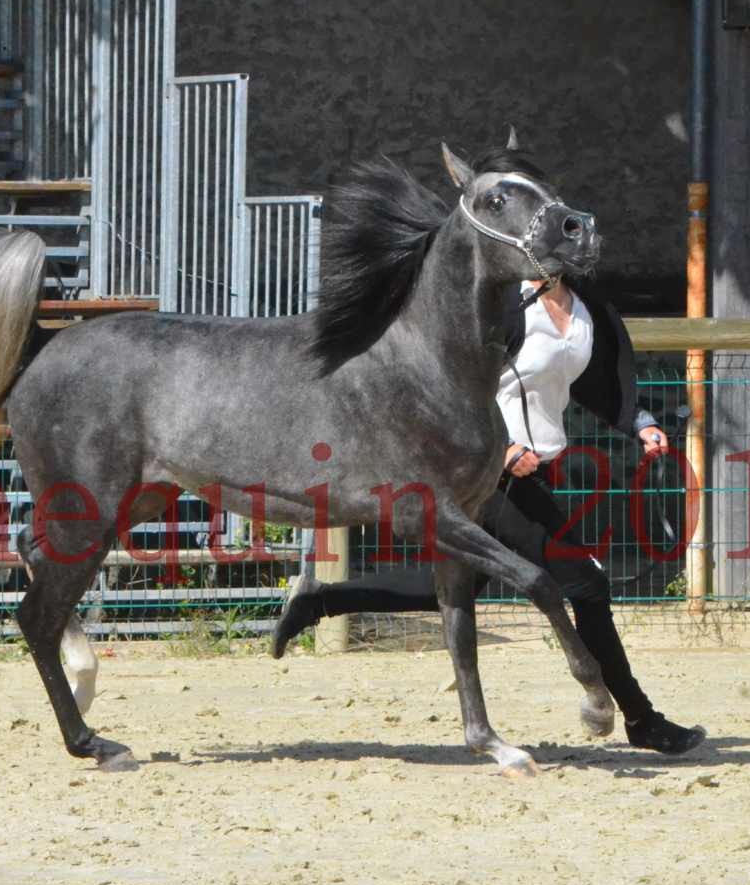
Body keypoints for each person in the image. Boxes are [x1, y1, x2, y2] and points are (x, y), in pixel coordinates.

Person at [271, 152, 705, 755]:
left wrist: (642, 423)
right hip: (486, 465)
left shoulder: (580, 307)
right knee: (582, 583)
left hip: (531, 464)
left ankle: (323, 598)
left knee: (453, 587)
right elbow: (458, 386)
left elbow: (597, 377)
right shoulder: (503, 305)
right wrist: (501, 451)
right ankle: (639, 717)